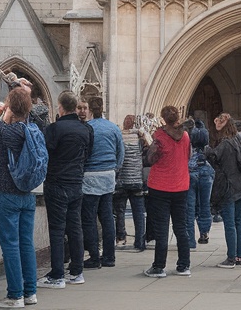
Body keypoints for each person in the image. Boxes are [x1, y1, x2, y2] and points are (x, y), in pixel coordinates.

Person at [0, 87, 38, 308]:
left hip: (7, 193)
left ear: (11, 107)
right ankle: (30, 292)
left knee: (10, 245)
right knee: (26, 244)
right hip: (27, 193)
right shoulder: (31, 127)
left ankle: (15, 296)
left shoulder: (5, 130)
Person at [39, 89, 92, 289]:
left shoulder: (54, 129)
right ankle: (77, 271)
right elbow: (88, 155)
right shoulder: (86, 129)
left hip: (57, 183)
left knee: (57, 230)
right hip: (76, 183)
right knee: (75, 227)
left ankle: (57, 274)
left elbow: (46, 154)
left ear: (60, 107)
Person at [142, 105, 193, 278]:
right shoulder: (185, 135)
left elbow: (150, 159)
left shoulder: (160, 136)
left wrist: (148, 142)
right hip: (181, 185)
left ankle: (158, 266)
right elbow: (189, 156)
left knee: (161, 228)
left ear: (163, 119)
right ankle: (184, 265)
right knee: (181, 226)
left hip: (160, 186)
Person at [81, 96, 124, 269]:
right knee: (107, 217)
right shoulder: (113, 128)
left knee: (89, 218)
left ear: (89, 110)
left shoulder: (87, 128)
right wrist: (115, 169)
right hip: (108, 175)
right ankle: (109, 256)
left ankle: (93, 256)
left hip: (90, 175)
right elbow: (120, 153)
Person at [208, 115, 241, 268]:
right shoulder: (240, 142)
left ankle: (231, 258)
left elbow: (213, 158)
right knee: (238, 221)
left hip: (228, 187)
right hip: (240, 186)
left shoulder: (226, 144)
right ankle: (239, 256)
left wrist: (205, 149)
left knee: (229, 224)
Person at [114, 115, 149, 252]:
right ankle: (140, 242)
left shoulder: (119, 136)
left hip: (122, 180)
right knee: (139, 213)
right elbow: (150, 145)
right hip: (136, 181)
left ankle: (121, 238)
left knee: (120, 211)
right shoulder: (139, 139)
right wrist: (142, 132)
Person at [184, 114, 214, 247]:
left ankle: (190, 239)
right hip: (206, 174)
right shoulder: (207, 149)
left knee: (189, 208)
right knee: (205, 205)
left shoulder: (187, 147)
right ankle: (204, 233)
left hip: (190, 174)